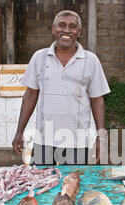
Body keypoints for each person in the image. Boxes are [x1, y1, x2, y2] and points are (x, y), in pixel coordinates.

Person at [12, 10, 111, 165]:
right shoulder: (39, 57)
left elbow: (97, 100)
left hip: (77, 142)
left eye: (72, 26)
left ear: (79, 31)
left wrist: (100, 138)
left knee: (73, 186)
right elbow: (30, 95)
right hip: (44, 140)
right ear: (53, 29)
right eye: (62, 25)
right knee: (41, 185)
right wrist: (19, 132)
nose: (66, 30)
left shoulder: (90, 60)